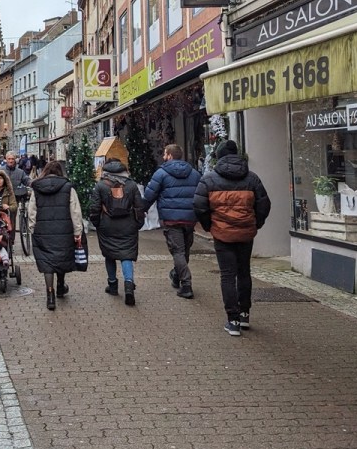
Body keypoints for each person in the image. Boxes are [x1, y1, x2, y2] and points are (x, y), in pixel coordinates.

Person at [194, 140, 271, 336]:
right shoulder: (252, 178)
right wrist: (255, 223)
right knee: (244, 271)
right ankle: (244, 313)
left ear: (218, 157)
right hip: (246, 232)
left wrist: (209, 226)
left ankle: (233, 320)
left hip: (222, 233)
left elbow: (200, 206)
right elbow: (264, 205)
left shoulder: (209, 180)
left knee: (228, 275)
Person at [143, 144, 201, 299]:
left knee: (178, 251)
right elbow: (201, 196)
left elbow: (150, 194)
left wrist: (141, 209)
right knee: (184, 250)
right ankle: (176, 275)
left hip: (171, 219)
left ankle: (186, 284)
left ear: (169, 155)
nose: (163, 157)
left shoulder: (161, 173)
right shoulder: (195, 174)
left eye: (164, 154)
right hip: (189, 218)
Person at [89, 158, 146, 306]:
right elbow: (139, 207)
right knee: (126, 255)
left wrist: (97, 224)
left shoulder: (100, 186)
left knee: (110, 254)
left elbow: (94, 208)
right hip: (128, 225)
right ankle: (128, 285)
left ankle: (113, 285)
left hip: (107, 225)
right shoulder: (132, 185)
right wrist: (138, 223)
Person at [28, 161, 83, 311]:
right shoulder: (67, 187)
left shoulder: (36, 188)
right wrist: (77, 231)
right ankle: (60, 286)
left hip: (43, 230)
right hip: (63, 230)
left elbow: (31, 211)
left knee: (47, 262)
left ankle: (50, 294)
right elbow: (75, 211)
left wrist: (32, 228)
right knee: (61, 257)